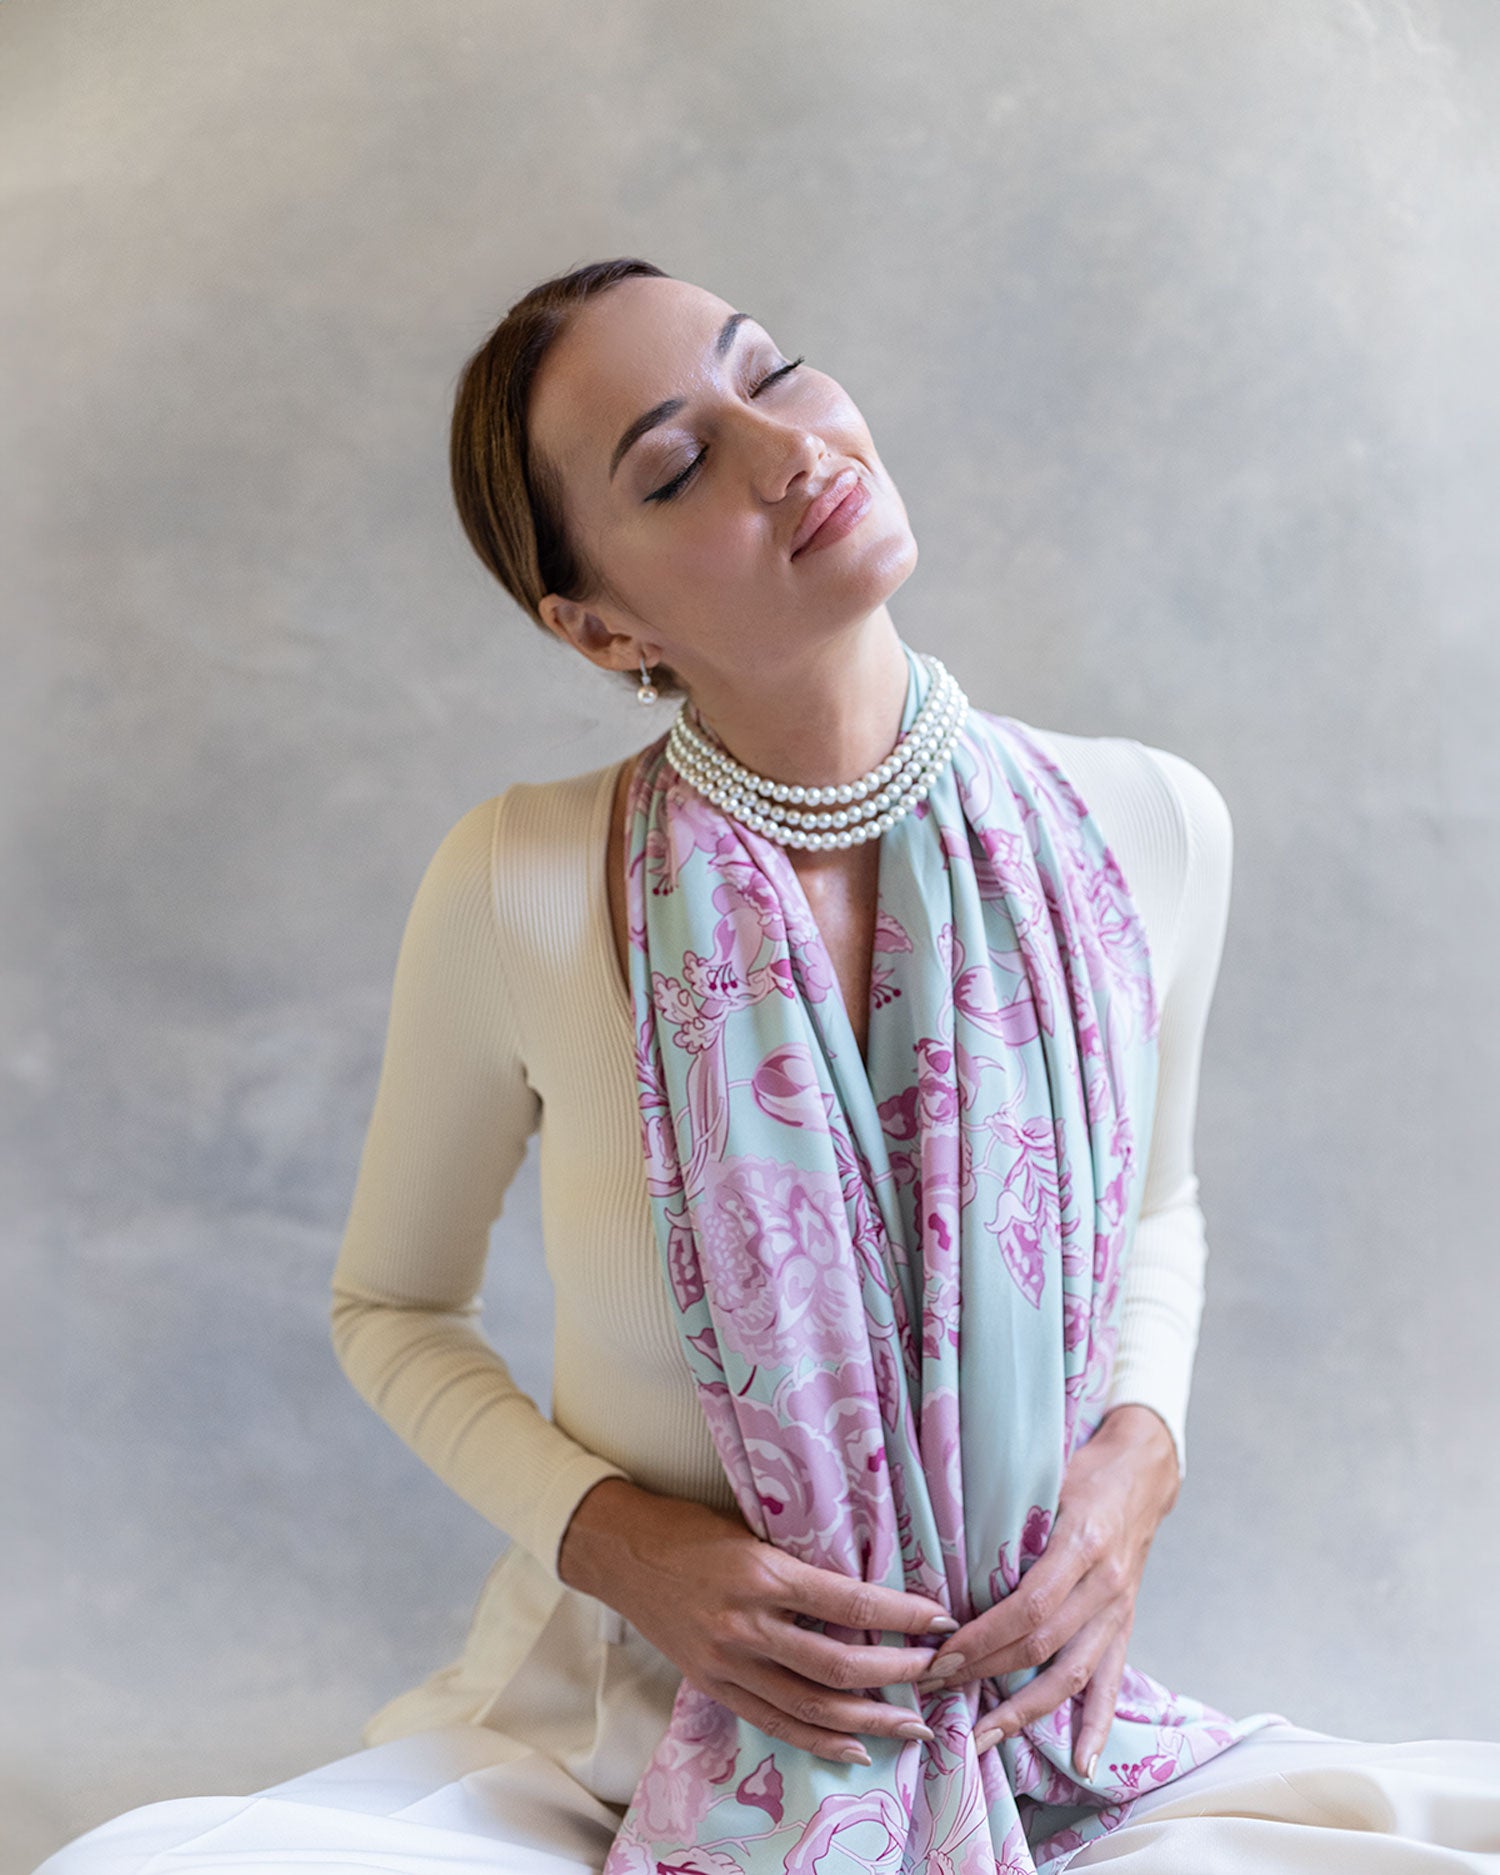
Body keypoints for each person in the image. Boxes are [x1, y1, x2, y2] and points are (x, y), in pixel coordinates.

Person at [36, 261, 1500, 1873]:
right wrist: (622, 1545)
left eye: (776, 371)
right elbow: (390, 1309)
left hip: (1036, 1729)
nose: (786, 448)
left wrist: (1138, 1456)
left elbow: (1162, 1208)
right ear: (601, 627)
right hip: (616, 1736)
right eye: (675, 466)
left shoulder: (1145, 826)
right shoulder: (520, 881)